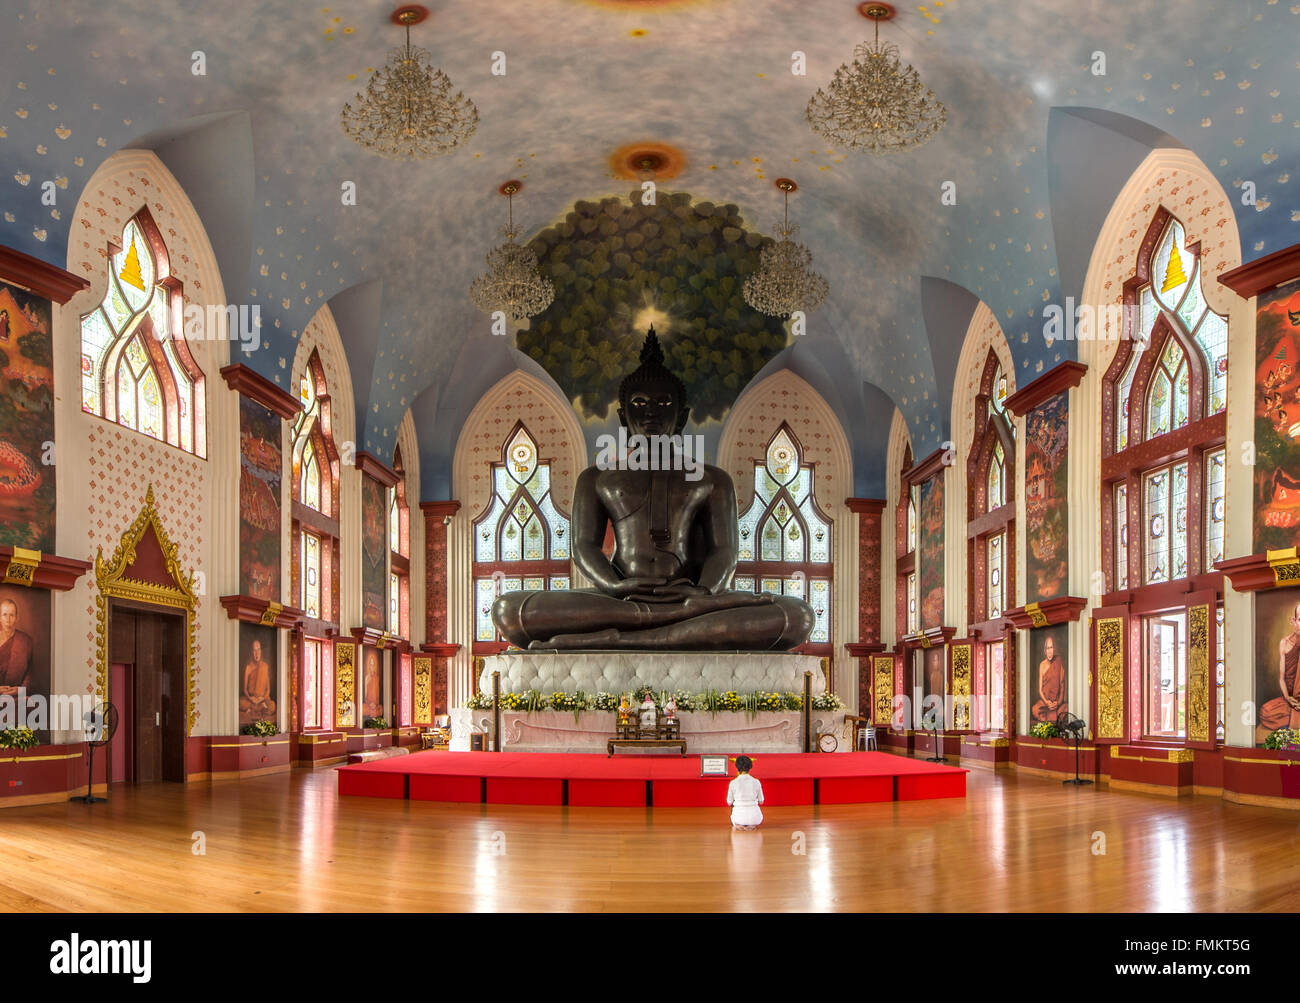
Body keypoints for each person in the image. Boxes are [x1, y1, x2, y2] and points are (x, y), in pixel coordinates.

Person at [491, 329, 813, 651]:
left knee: (796, 615)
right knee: (508, 611)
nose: (651, 413)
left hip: (691, 600)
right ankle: (663, 631)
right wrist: (615, 586)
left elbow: (724, 552)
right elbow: (583, 547)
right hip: (620, 600)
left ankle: (615, 638)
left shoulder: (712, 479)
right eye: (639, 403)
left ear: (682, 416)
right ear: (623, 416)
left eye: (664, 403)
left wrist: (704, 593)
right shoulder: (596, 477)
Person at [1260, 600, 1300, 737]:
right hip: (1290, 699)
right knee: (1266, 711)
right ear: (1293, 621)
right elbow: (1282, 678)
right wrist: (1288, 698)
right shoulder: (1284, 643)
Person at [0, 598, 34, 697]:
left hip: (16, 695)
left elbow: (30, 674)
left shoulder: (25, 641)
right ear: (0, 617)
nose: (8, 619)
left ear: (16, 618)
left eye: (11, 615)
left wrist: (21, 690)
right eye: (5, 615)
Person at [239, 639, 276, 725]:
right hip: (251, 699)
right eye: (254, 650)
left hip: (262, 699)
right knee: (240, 703)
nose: (257, 653)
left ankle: (253, 709)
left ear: (261, 651)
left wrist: (262, 698)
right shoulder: (248, 668)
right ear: (252, 652)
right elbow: (245, 689)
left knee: (273, 706)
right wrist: (250, 698)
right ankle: (259, 708)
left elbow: (268, 690)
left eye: (258, 649)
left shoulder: (265, 666)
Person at [1031, 635, 1067, 723]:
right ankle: (1053, 718)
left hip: (1057, 703)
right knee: (1035, 709)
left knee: (1066, 708)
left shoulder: (1059, 662)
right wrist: (1047, 702)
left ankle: (1051, 717)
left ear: (1054, 649)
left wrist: (1057, 703)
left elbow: (1062, 688)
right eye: (1047, 648)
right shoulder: (1042, 665)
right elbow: (1040, 690)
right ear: (1045, 651)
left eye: (1051, 648)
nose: (1049, 651)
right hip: (1045, 702)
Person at [726, 755, 764, 830]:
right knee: (754, 815)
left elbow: (729, 802)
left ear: (737, 767)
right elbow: (761, 801)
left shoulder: (733, 783)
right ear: (750, 767)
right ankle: (751, 825)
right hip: (755, 818)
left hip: (738, 817)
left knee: (735, 815)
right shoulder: (756, 782)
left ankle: (739, 825)